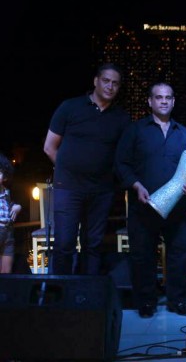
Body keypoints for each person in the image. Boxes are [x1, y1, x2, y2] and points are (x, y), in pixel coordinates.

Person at [116, 82, 186, 318]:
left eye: (168, 97)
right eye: (159, 97)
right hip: (144, 203)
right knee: (142, 255)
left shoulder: (183, 133)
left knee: (179, 254)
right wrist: (136, 185)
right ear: (150, 101)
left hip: (177, 206)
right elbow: (121, 164)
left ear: (173, 102)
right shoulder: (135, 130)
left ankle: (178, 301)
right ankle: (146, 302)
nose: (164, 101)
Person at [43, 63, 130, 275]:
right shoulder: (70, 107)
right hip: (68, 188)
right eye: (106, 81)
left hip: (101, 190)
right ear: (96, 81)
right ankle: (61, 291)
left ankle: (87, 291)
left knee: (93, 245)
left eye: (115, 83)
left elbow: (123, 156)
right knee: (64, 244)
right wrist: (69, 171)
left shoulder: (121, 118)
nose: (110, 86)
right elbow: (49, 147)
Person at [0, 153, 21, 274]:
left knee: (6, 273)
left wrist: (17, 207)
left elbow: (11, 205)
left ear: (5, 177)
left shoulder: (6, 192)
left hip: (8, 236)